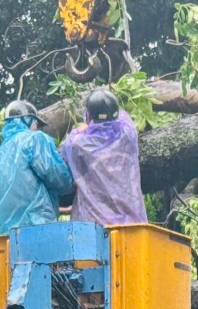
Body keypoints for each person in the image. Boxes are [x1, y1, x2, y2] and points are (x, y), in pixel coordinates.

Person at [0, 100, 75, 236]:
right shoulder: (35, 140)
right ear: (28, 120)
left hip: (0, 236)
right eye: (36, 124)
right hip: (35, 228)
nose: (36, 128)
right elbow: (59, 179)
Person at [60, 88, 147, 226]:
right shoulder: (128, 135)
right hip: (130, 223)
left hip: (92, 225)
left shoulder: (78, 144)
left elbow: (67, 148)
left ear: (88, 115)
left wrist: (82, 128)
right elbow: (124, 117)